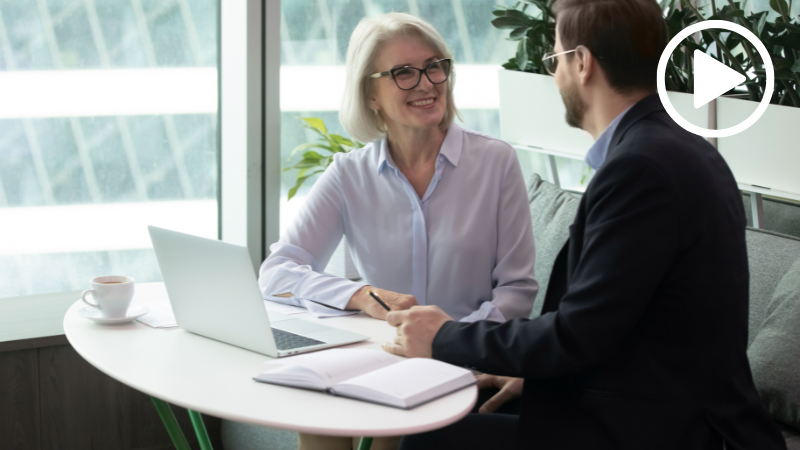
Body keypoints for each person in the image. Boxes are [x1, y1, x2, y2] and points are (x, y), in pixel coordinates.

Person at [383, 0, 787, 449]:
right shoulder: (683, 151)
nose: (555, 77)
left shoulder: (641, 169)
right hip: (655, 405)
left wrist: (444, 337)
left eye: (554, 60)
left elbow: (576, 335)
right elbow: (630, 324)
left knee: (428, 438)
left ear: (582, 63)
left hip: (660, 431)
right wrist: (529, 372)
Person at [258, 12, 538, 450]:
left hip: (463, 356)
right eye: (403, 73)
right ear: (371, 94)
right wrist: (362, 297)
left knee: (392, 423)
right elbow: (277, 271)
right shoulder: (348, 174)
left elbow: (516, 292)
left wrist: (451, 342)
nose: (427, 83)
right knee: (314, 406)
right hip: (383, 352)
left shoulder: (496, 163)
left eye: (434, 66)